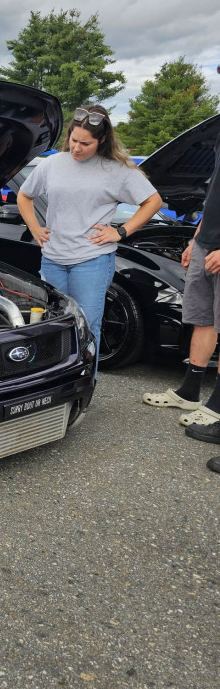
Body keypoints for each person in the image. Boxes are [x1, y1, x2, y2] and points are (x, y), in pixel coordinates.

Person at [17, 105, 163, 375]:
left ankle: (84, 384)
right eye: (74, 139)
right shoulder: (52, 164)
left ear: (102, 140)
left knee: (86, 325)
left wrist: (121, 231)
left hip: (92, 260)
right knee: (53, 323)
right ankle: (53, 383)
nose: (77, 148)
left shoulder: (117, 170)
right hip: (53, 258)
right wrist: (36, 228)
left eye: (86, 143)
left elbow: (153, 201)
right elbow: (24, 196)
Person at [142, 116, 220, 476]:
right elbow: (214, 195)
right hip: (207, 242)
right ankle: (190, 391)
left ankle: (217, 408)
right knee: (202, 318)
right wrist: (196, 237)